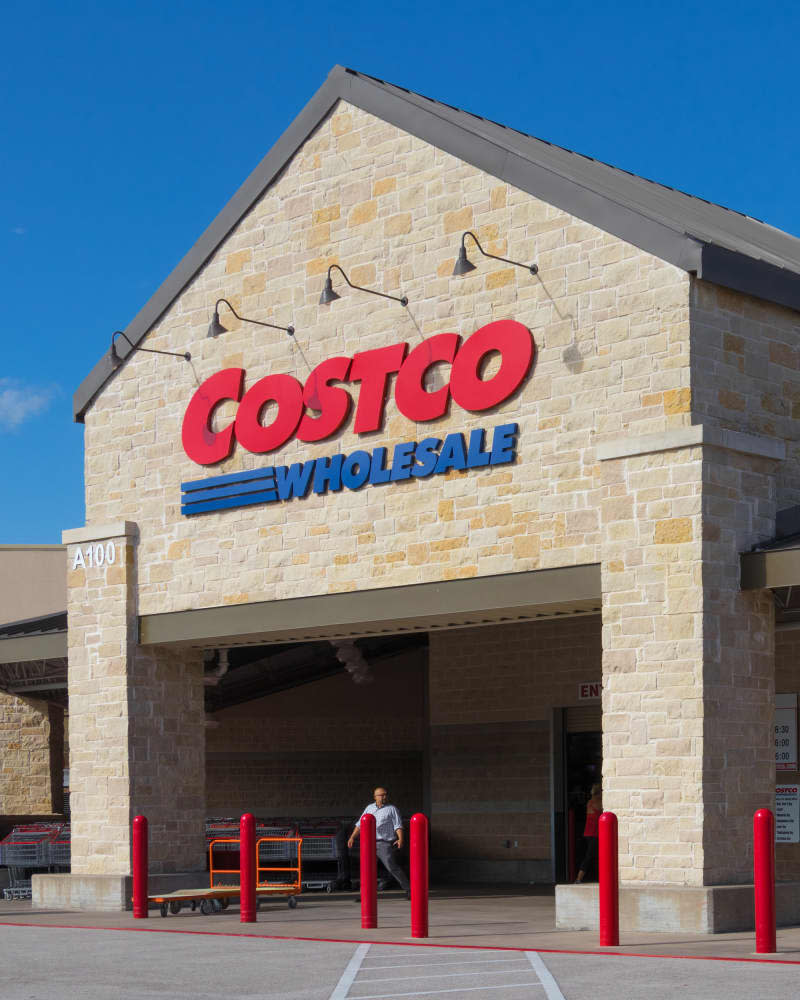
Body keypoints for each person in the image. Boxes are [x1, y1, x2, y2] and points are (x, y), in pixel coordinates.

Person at [348, 786, 410, 898]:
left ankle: (409, 890)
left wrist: (400, 839)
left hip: (384, 843)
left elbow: (398, 825)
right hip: (369, 843)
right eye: (381, 795)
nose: (384, 797)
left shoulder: (392, 809)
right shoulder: (369, 808)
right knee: (367, 869)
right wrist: (352, 837)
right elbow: (360, 824)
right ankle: (365, 895)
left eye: (385, 794)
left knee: (392, 867)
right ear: (375, 797)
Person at [574, 783, 602, 883]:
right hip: (594, 833)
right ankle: (578, 878)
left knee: (592, 855)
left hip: (589, 833)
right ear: (599, 793)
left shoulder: (590, 802)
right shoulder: (597, 802)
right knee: (590, 856)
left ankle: (580, 878)